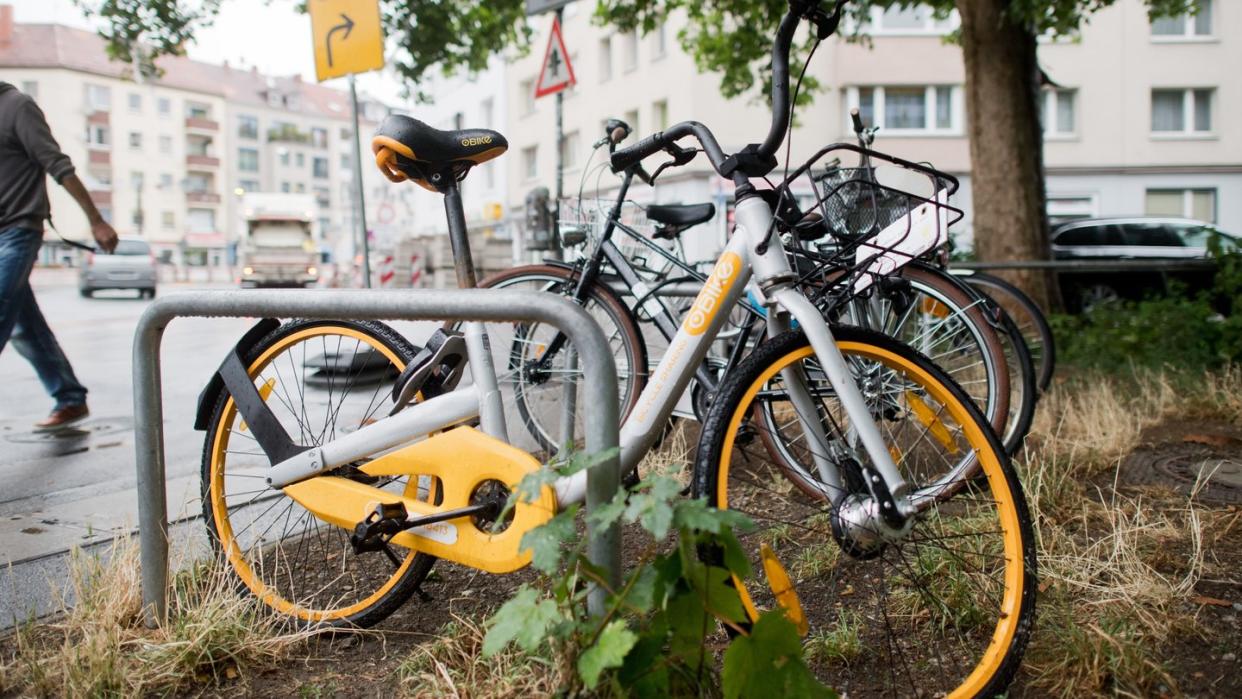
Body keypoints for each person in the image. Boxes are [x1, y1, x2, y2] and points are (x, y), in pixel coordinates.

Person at [0, 81, 118, 430]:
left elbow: (58, 165)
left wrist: (96, 221)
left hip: (19, 231)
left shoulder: (18, 107)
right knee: (25, 326)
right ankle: (69, 397)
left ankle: (68, 397)